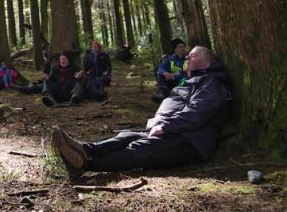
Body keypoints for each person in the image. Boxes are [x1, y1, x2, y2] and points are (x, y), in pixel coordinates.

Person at [52, 46, 232, 176]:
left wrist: (166, 126)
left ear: (206, 63)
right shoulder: (194, 80)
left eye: (191, 57)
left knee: (140, 148)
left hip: (191, 140)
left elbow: (197, 112)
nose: (186, 59)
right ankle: (85, 149)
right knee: (126, 136)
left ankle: (84, 166)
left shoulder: (211, 83)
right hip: (175, 131)